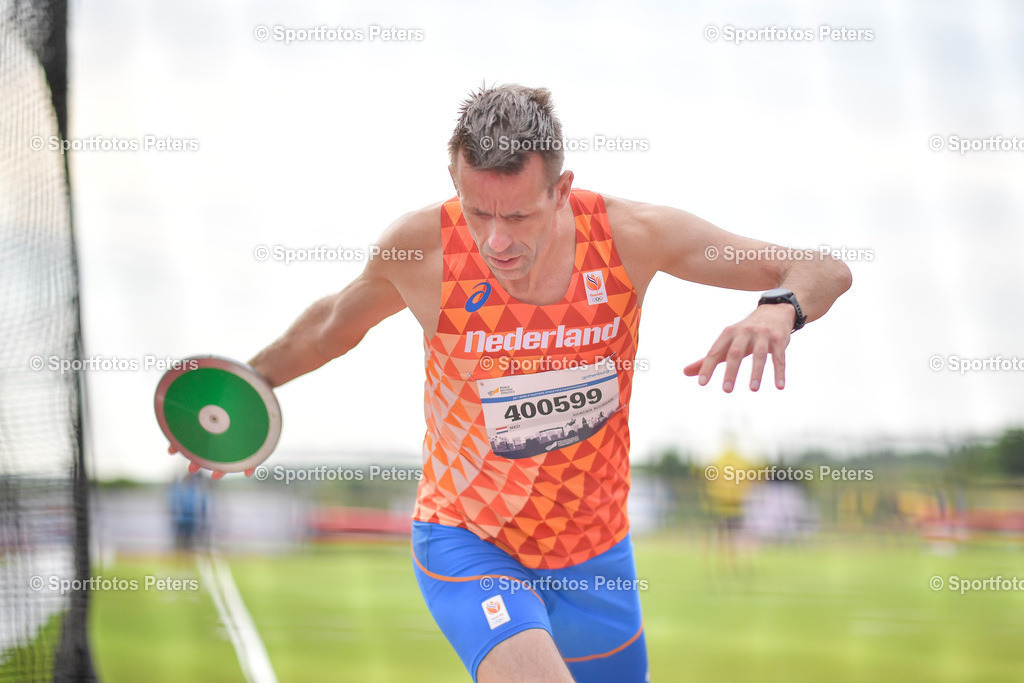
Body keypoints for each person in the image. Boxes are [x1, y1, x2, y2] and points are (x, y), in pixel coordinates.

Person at [248, 84, 852, 682]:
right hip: (470, 538)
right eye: (476, 211)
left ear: (561, 191)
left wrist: (777, 310)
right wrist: (245, 387)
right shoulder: (422, 249)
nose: (495, 240)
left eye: (517, 214)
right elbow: (332, 326)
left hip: (594, 551)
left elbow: (823, 269)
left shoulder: (631, 235)